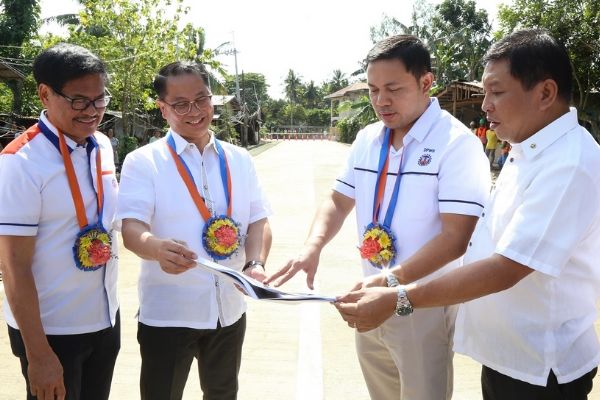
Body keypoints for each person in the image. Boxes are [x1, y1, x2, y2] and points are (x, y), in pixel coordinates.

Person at [336, 29, 600, 399]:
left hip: (542, 370)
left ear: (545, 93)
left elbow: (507, 266)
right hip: (510, 360)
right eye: (485, 92)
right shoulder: (529, 149)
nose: (485, 104)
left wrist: (397, 294)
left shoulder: (568, 163)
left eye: (497, 92)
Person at [266, 35, 490, 400]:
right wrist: (313, 246)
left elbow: (455, 239)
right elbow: (338, 201)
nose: (380, 101)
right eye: (372, 89)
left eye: (393, 88)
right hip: (370, 296)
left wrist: (388, 285)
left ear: (426, 82)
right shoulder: (369, 139)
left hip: (420, 303)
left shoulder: (456, 145)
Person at [116, 61, 272, 400]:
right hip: (170, 313)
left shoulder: (239, 159)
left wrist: (255, 264)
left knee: (222, 393)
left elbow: (258, 220)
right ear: (162, 108)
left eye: (202, 99)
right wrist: (155, 248)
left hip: (229, 310)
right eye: (180, 104)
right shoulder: (144, 162)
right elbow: (131, 228)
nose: (194, 111)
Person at [0, 43, 120, 400]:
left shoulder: (102, 146)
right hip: (51, 332)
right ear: (45, 94)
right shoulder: (20, 162)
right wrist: (38, 355)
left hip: (103, 320)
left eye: (100, 99)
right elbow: (13, 266)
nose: (93, 111)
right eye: (79, 100)